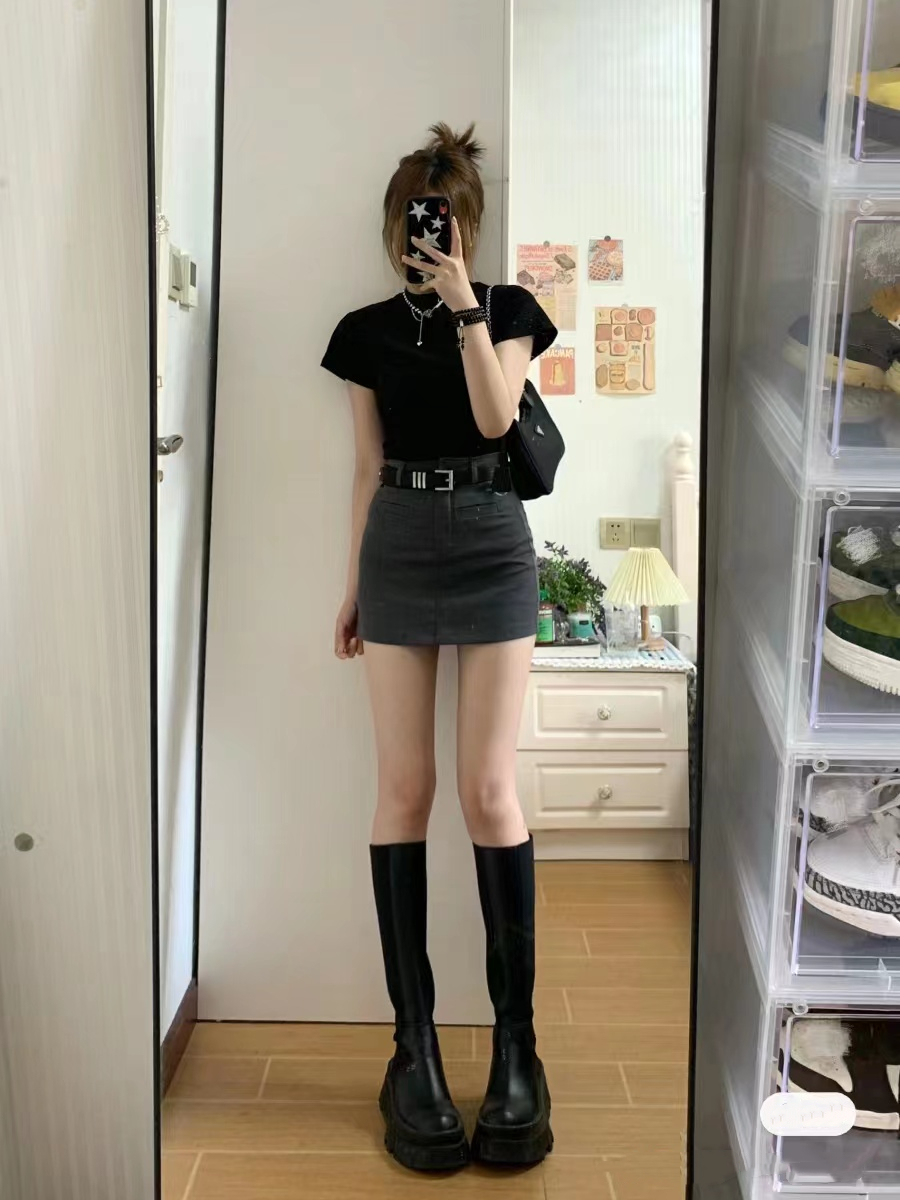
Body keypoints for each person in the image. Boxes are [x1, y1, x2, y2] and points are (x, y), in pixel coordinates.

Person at [321, 122, 556, 1172]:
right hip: (399, 549)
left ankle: (517, 1051)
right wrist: (351, 585)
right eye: (418, 221)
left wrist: (465, 302)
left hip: (493, 542)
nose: (429, 234)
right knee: (405, 789)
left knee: (489, 791)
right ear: (394, 227)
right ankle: (411, 1050)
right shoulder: (361, 333)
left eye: (447, 221)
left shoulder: (508, 311)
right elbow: (366, 466)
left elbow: (497, 419)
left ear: (468, 226)